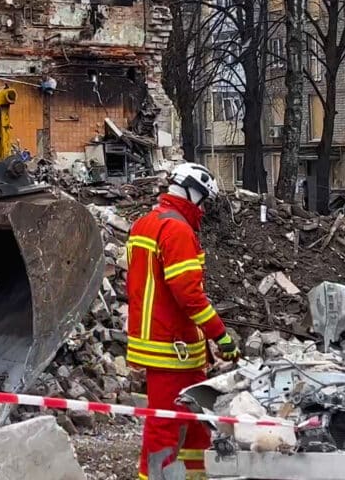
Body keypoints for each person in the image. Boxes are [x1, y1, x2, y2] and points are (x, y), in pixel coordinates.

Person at [125, 162, 238, 480]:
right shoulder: (177, 230)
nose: (204, 208)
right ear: (192, 192)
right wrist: (220, 335)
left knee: (193, 419)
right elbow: (188, 293)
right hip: (172, 346)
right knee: (166, 423)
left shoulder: (144, 224)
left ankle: (194, 474)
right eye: (203, 200)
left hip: (159, 340)